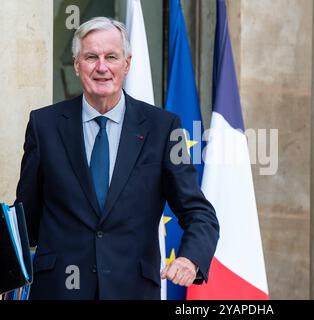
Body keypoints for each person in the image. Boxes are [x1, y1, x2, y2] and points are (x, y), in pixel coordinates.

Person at [15, 17, 219, 300]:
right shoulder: (44, 125)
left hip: (133, 291)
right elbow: (25, 221)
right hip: (59, 290)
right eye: (91, 57)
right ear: (76, 64)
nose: (102, 67)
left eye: (111, 56)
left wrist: (189, 259)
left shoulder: (162, 128)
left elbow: (199, 213)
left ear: (127, 63)